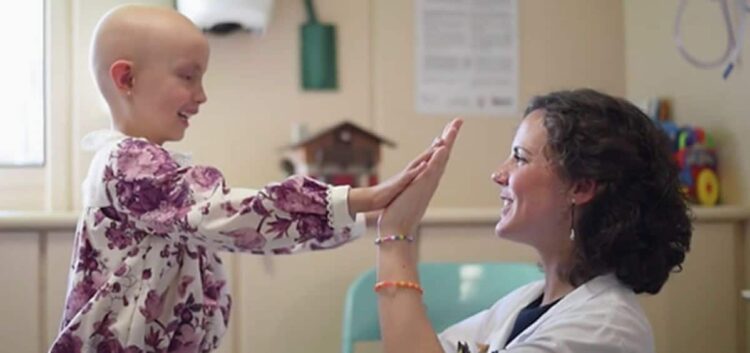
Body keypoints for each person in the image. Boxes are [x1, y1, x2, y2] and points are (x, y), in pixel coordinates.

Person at [48, 4, 444, 353]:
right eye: (188, 77)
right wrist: (361, 199)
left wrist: (362, 217)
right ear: (127, 80)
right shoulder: (128, 163)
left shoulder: (150, 170)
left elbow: (250, 231)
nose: (201, 95)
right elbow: (234, 214)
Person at [375, 89, 692, 353]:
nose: (499, 174)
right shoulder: (527, 301)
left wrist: (395, 235)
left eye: (520, 158)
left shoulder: (604, 330)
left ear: (580, 187)